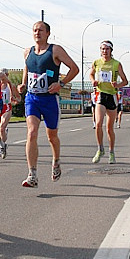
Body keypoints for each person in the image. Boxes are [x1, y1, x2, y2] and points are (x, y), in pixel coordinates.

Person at [16, 21, 79, 188]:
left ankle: (56, 161)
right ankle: (32, 174)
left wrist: (61, 84)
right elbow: (27, 69)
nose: (37, 33)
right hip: (32, 98)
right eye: (35, 30)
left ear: (48, 33)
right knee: (31, 132)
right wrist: (23, 84)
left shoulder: (55, 50)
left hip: (50, 99)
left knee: (52, 136)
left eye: (41, 30)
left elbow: (74, 68)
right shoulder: (27, 52)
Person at [89, 40, 129, 164]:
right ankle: (100, 149)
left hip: (112, 96)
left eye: (107, 49)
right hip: (101, 95)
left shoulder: (116, 64)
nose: (104, 51)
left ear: (111, 51)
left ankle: (111, 152)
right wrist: (93, 81)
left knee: (109, 128)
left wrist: (117, 85)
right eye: (102, 49)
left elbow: (125, 81)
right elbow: (91, 74)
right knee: (98, 123)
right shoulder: (96, 62)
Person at [0, 68, 21, 157]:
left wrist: (15, 100)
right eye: (1, 75)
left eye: (4, 75)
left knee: (2, 127)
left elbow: (19, 98)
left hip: (6, 107)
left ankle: (2, 147)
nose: (2, 77)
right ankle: (2, 144)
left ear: (7, 75)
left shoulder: (10, 86)